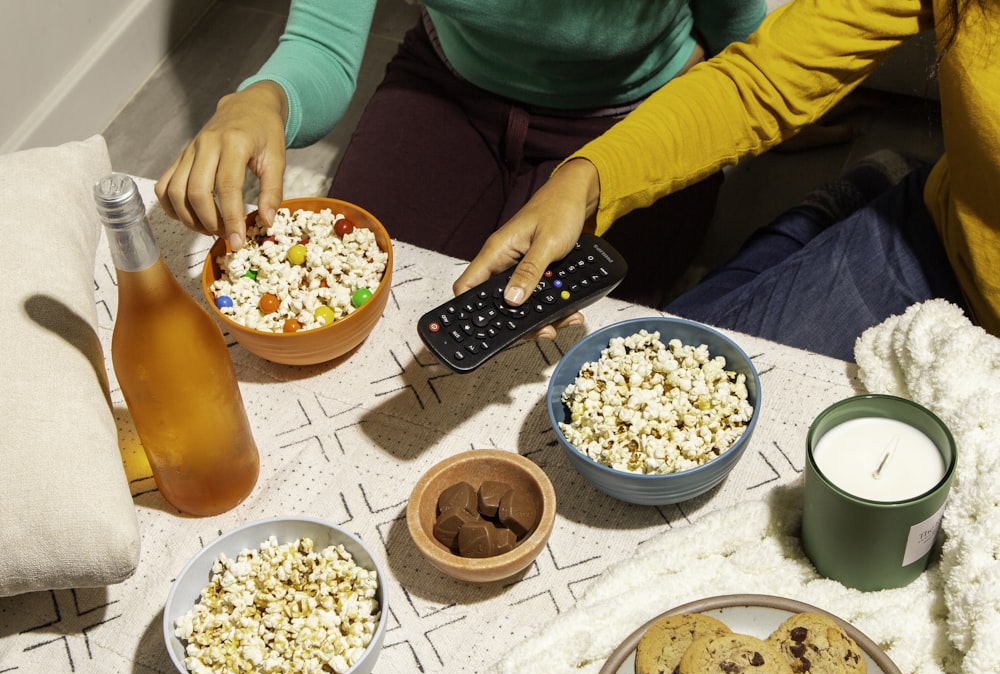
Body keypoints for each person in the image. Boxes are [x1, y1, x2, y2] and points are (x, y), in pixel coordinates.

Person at [458, 0, 997, 361]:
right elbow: (762, 78)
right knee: (659, 371)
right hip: (942, 241)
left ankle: (846, 204)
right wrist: (586, 177)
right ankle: (848, 204)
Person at [155, 1, 775, 308]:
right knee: (347, 289)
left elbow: (737, 27)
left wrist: (755, 109)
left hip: (634, 111)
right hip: (447, 82)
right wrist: (264, 97)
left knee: (563, 347)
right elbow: (321, 41)